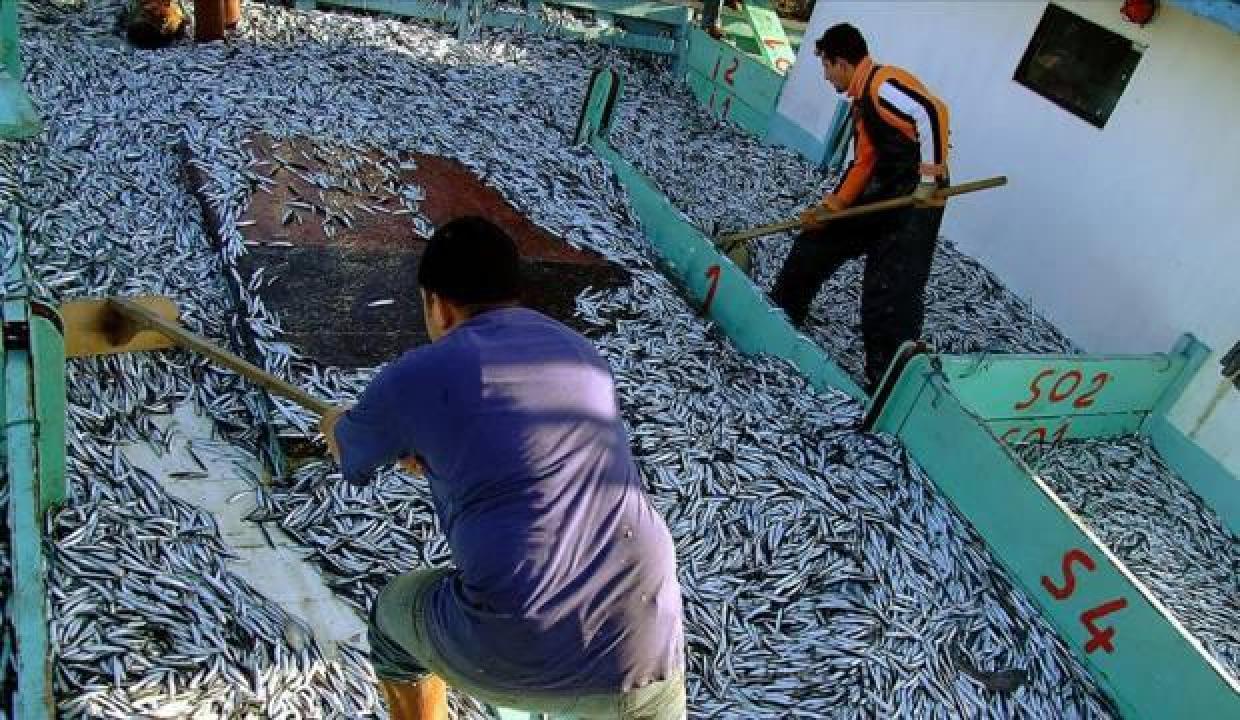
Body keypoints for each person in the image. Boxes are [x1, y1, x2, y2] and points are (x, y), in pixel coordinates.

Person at [320, 217, 687, 720]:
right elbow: (532, 450)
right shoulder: (582, 353)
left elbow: (350, 453)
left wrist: (332, 421)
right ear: (514, 291)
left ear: (438, 305)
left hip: (520, 646)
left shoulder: (416, 376)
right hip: (649, 640)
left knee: (391, 620)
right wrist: (437, 451)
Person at [770, 22, 951, 393]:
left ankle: (889, 385)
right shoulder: (862, 104)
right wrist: (832, 207)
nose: (825, 76)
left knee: (889, 292)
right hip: (884, 192)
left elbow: (933, 112)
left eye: (826, 67)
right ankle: (781, 313)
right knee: (817, 239)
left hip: (916, 203)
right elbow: (864, 163)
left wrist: (929, 179)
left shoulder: (884, 86)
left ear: (842, 63)